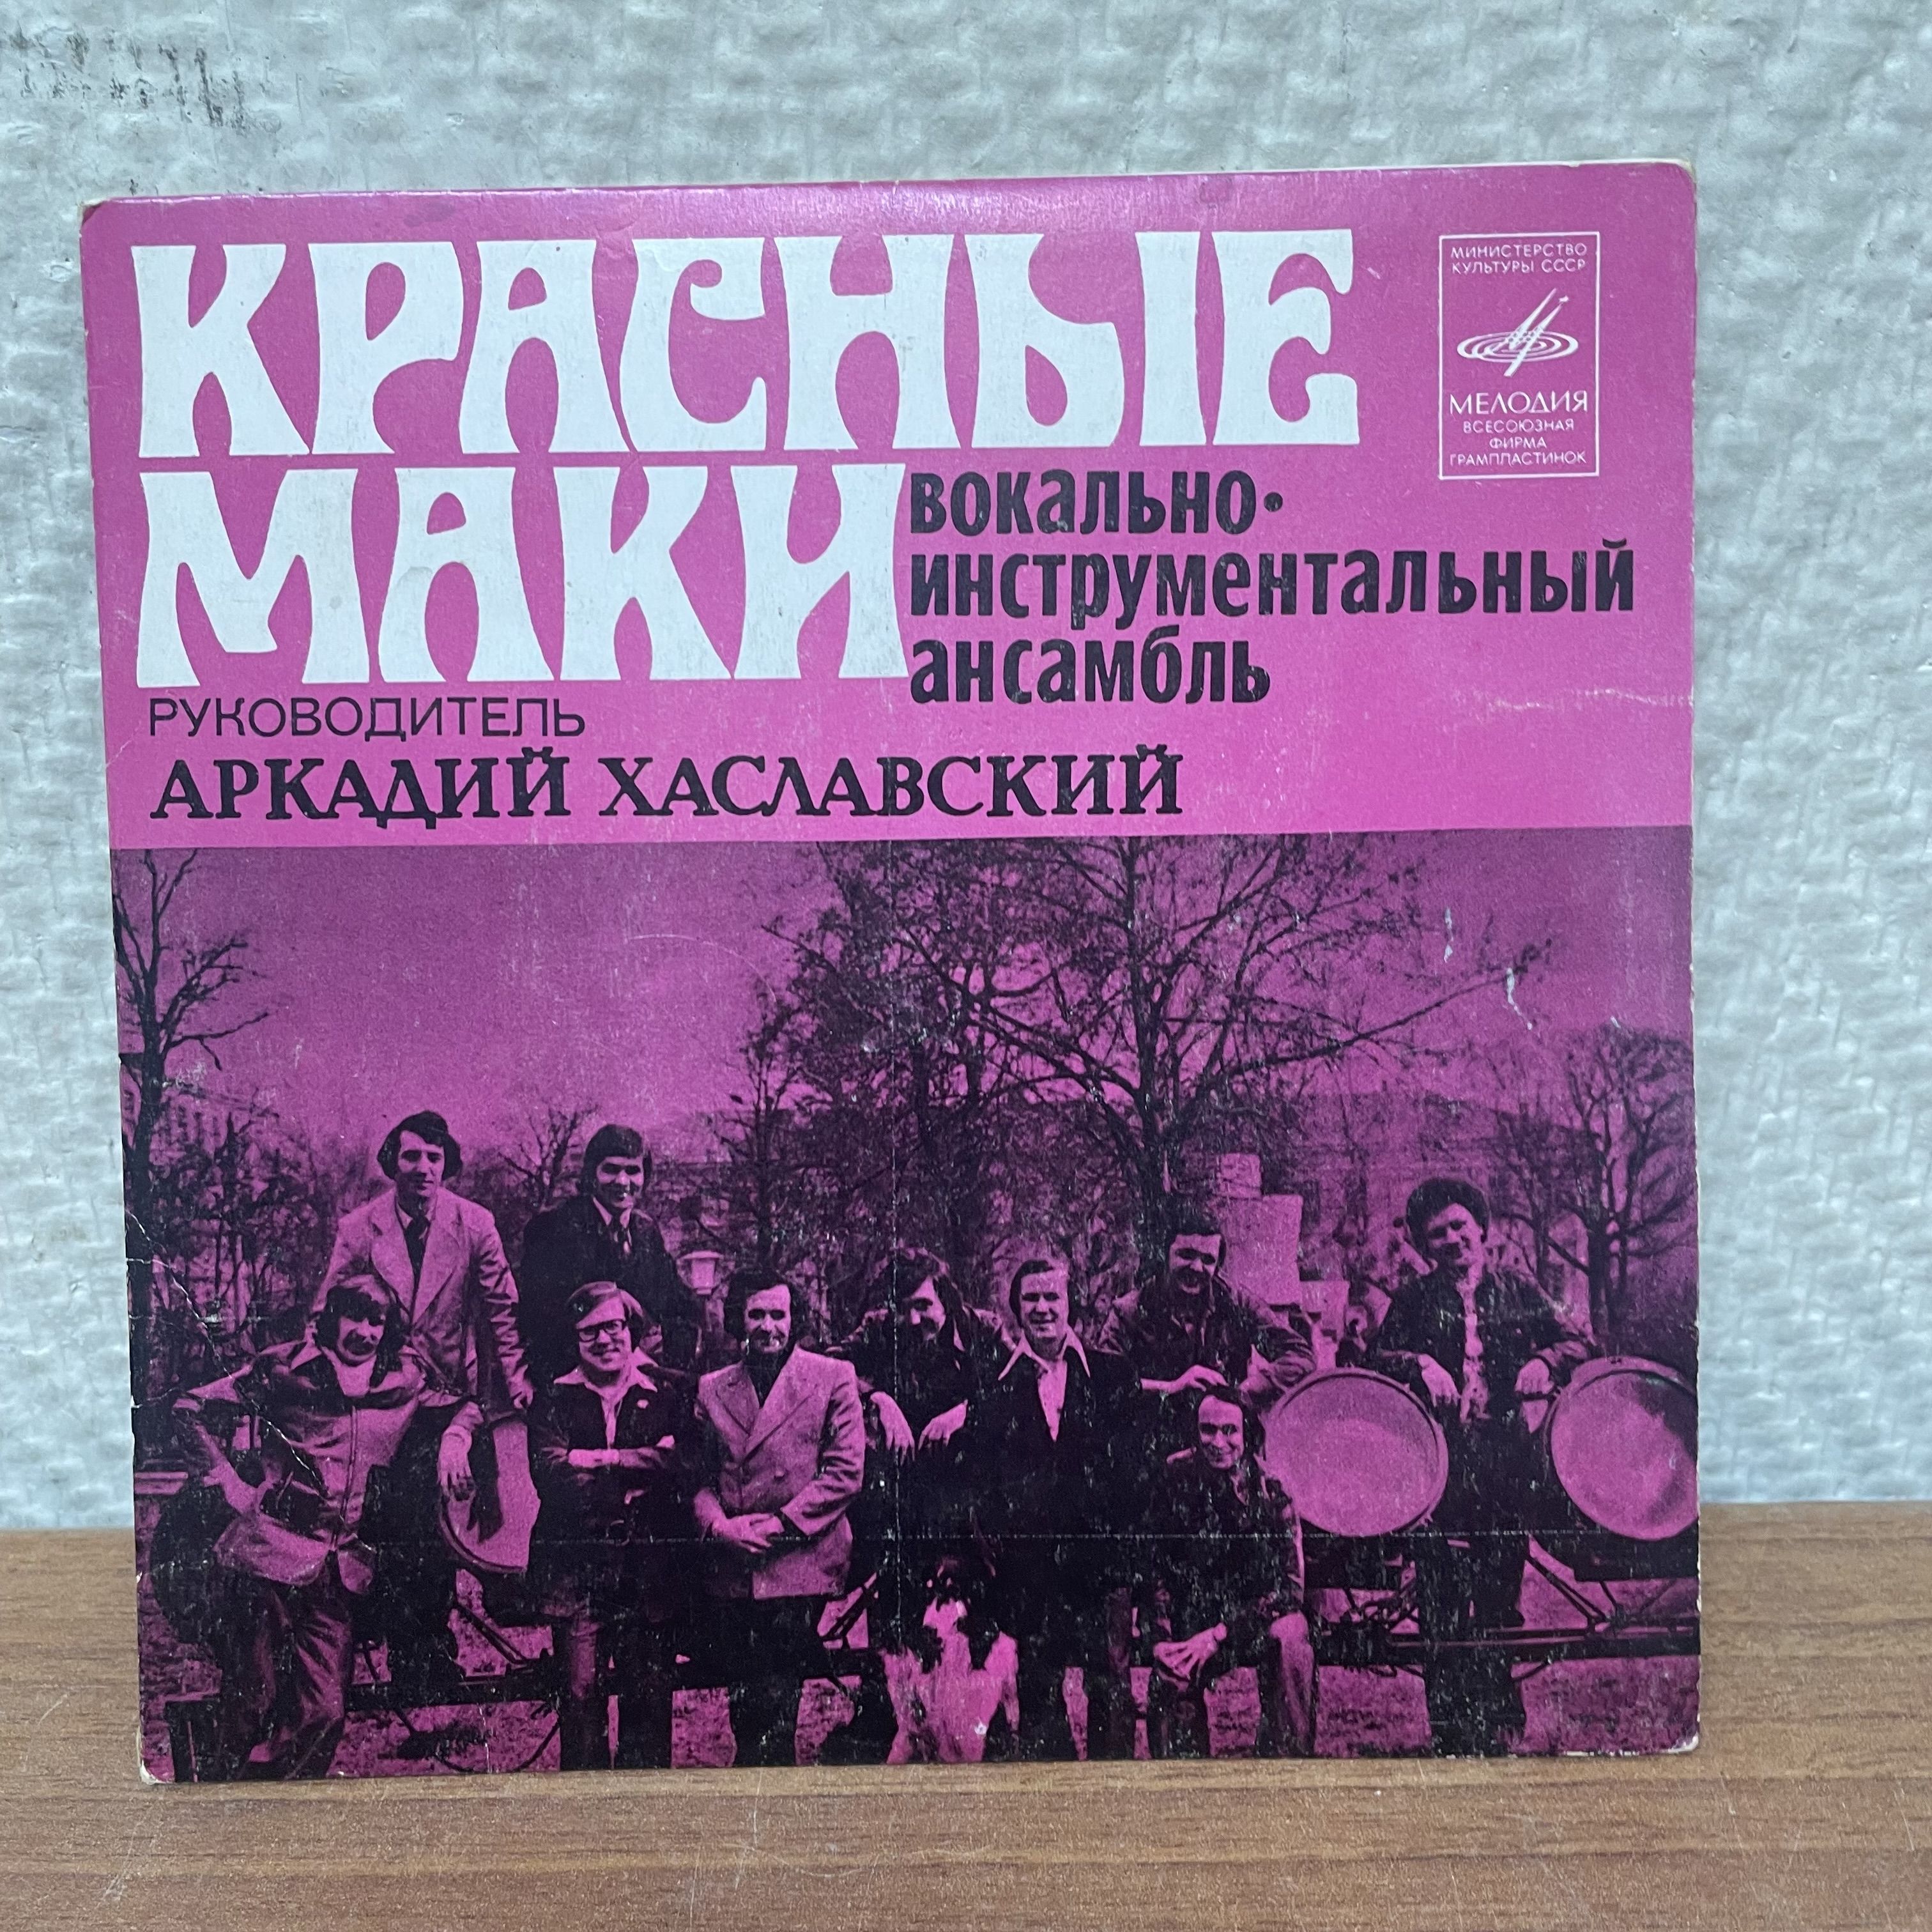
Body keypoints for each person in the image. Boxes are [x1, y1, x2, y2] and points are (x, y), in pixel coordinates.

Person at [174, 1275, 475, 1778]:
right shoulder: (285, 1369)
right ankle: (221, 1800)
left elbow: (468, 1405)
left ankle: (271, 1804)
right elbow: (191, 1409)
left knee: (324, 1713)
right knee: (255, 1699)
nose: (365, 1331)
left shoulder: (403, 1380)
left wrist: (455, 1442)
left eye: (377, 1321)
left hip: (338, 1573)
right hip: (266, 1563)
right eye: (355, 1316)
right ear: (332, 1318)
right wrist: (226, 1480)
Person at [1370, 1177, 1594, 1754]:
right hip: (1437, 1468)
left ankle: (1499, 1722)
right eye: (1437, 1233)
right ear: (1425, 1245)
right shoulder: (1414, 1300)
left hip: (1503, 1466)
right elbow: (1372, 1359)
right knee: (1441, 1602)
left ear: (1480, 1230)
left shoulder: (1517, 1287)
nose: (1451, 1239)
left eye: (1459, 1227)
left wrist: (1545, 1361)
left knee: (1499, 1598)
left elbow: (1578, 1343)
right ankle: (1450, 1730)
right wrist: (1420, 1364)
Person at [317, 1110, 532, 1699]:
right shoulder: (360, 1228)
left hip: (446, 1396)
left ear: (447, 1164)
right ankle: (382, 1638)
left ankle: (427, 1651)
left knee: (435, 1505)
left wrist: (516, 1385)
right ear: (393, 1162)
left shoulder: (474, 1224)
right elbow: (324, 1312)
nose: (422, 1168)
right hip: (378, 1394)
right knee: (375, 1510)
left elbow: (502, 1313)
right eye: (411, 1156)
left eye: (434, 1158)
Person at [956, 1245, 1144, 1761]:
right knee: (1040, 1689)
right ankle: (1052, 1795)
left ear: (1071, 1305)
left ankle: (1113, 1793)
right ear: (1017, 1309)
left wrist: (1119, 1556)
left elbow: (1133, 1475)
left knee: (1110, 1687)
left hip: (1102, 1568)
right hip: (1031, 1573)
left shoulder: (1113, 1376)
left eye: (1052, 1298)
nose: (1042, 1309)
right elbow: (983, 1481)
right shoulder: (995, 1387)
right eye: (1031, 1299)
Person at [820, 1247, 1003, 1760]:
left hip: (968, 1496)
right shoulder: (879, 1330)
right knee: (895, 1610)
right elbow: (828, 1366)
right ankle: (892, 1717)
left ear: (946, 1299)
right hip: (902, 1495)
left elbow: (1018, 1382)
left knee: (969, 1617)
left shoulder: (984, 1330)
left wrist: (966, 1411)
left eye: (923, 1306)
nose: (914, 1319)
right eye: (903, 1308)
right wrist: (877, 1398)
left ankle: (977, 1725)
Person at [691, 1268, 866, 1766]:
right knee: (745, 1703)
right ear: (738, 1321)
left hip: (802, 1557)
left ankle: (771, 1777)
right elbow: (698, 1479)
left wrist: (780, 1525)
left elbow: (845, 1473)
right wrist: (720, 1527)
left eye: (778, 1315)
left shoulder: (832, 1377)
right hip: (735, 1557)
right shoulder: (712, 1388)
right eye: (756, 1315)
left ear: (794, 1320)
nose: (768, 1326)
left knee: (777, 1695)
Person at [527, 1283, 691, 1770]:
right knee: (580, 1698)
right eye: (589, 1332)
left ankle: (646, 1807)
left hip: (649, 1572)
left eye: (613, 1326)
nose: (604, 1340)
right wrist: (639, 1471)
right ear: (575, 1339)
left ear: (631, 1329)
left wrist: (600, 1459)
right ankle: (587, 1806)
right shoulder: (554, 1398)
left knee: (649, 1697)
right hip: (577, 1573)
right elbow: (553, 1475)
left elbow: (681, 1465)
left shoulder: (663, 1393)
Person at [1142, 1385, 1315, 1759]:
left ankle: (1288, 1765)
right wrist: (1161, 1641)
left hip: (1252, 1623)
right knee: (1169, 1680)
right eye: (1208, 1430)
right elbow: (1156, 1569)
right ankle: (1184, 1780)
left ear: (1247, 1434)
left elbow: (1290, 1589)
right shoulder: (1174, 1478)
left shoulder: (1272, 1490)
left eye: (1230, 1431)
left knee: (1290, 1634)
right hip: (1194, 1624)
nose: (1218, 1442)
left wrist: (1222, 1634)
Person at [518, 1125, 703, 1384]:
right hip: (574, 1382)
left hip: (641, 1381)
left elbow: (678, 1304)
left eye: (633, 1171)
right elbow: (541, 1319)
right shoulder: (553, 1228)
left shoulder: (646, 1232)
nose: (622, 1182)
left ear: (645, 1176)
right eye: (611, 1170)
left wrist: (670, 1351)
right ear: (592, 1174)